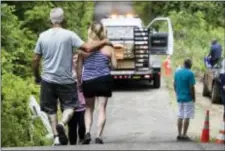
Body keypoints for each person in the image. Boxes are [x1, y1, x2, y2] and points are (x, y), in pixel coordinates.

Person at [32, 7, 109, 146]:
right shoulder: (69, 35)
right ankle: (63, 122)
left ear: (50, 20)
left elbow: (35, 59)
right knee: (71, 106)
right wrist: (104, 42)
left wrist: (36, 76)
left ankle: (56, 137)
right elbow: (88, 48)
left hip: (48, 79)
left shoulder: (42, 36)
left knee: (51, 109)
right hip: (66, 80)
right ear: (63, 20)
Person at [77, 22, 117, 144]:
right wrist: (107, 64)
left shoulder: (84, 48)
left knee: (88, 108)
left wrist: (79, 82)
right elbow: (115, 66)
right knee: (102, 109)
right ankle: (99, 136)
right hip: (103, 80)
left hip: (88, 81)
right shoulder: (109, 48)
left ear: (90, 31)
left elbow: (79, 68)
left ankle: (88, 132)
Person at [173, 59, 196, 141]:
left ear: (184, 64)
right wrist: (193, 97)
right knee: (187, 116)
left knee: (180, 115)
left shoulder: (177, 72)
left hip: (180, 98)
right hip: (188, 98)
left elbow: (174, 84)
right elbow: (191, 87)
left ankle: (179, 134)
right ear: (190, 65)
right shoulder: (190, 73)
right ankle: (184, 134)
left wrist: (177, 94)